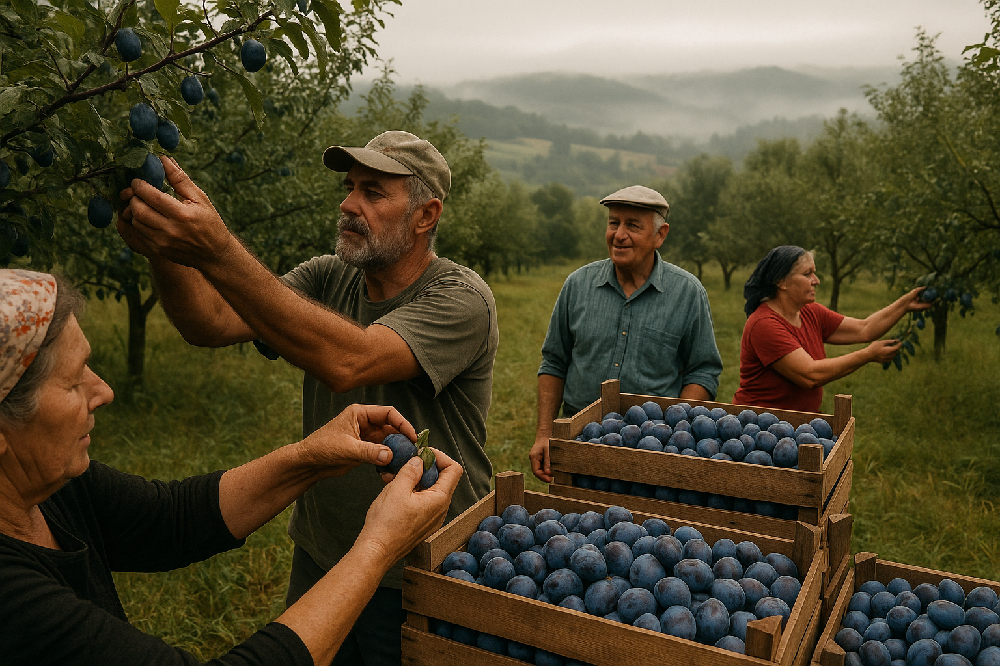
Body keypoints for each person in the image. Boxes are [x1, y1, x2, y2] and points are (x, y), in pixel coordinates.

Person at [116, 131, 498, 665]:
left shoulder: (461, 299)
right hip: (324, 548)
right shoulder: (328, 276)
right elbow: (210, 321)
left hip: (424, 557)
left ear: (425, 216)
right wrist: (167, 249)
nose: (348, 204)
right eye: (349, 187)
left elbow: (352, 361)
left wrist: (219, 248)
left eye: (373, 191)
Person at [0, 269, 461, 666]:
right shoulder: (16, 603)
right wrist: (378, 547)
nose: (104, 392)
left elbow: (173, 520)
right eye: (73, 381)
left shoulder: (53, 489)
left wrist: (309, 459)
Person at [530, 185, 724, 483]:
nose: (619, 234)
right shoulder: (578, 285)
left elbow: (702, 371)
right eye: (613, 222)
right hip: (578, 442)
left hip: (650, 450)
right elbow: (554, 362)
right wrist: (546, 433)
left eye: (632, 225)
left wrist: (675, 434)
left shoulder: (687, 293)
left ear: (660, 235)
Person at [733, 245, 930, 412]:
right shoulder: (764, 324)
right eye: (807, 274)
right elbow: (810, 375)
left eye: (814, 272)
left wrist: (905, 304)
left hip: (796, 425)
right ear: (781, 282)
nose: (816, 280)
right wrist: (867, 355)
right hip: (759, 429)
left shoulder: (811, 313)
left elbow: (865, 329)